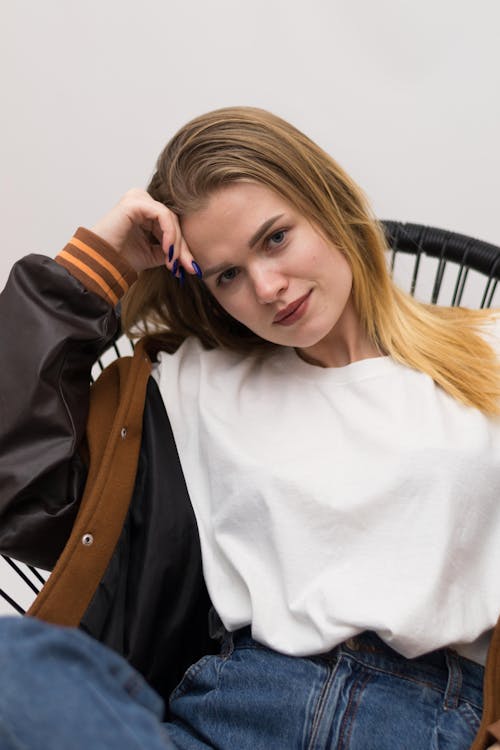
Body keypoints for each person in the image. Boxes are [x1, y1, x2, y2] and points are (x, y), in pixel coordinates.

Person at [0, 106, 499, 750]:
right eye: (227, 275)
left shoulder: (488, 349)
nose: (266, 287)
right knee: (16, 662)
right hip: (225, 715)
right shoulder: (192, 384)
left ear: (326, 202)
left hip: (420, 722)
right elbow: (19, 486)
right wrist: (99, 265)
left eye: (275, 239)